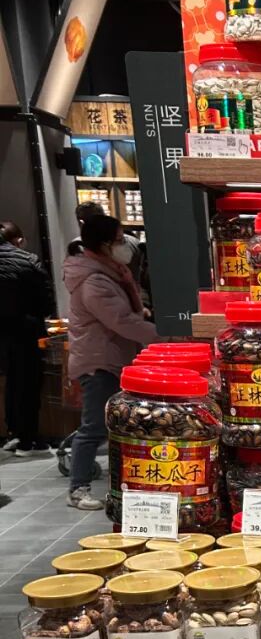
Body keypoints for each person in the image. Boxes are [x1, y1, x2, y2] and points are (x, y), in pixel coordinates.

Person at [63, 213, 157, 509]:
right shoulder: (94, 281)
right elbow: (122, 322)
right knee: (93, 427)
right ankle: (78, 488)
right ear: (104, 244)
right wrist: (166, 337)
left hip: (112, 357)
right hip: (99, 362)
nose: (125, 244)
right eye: (119, 240)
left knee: (111, 426)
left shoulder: (109, 271)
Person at [0, 220, 52, 456]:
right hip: (27, 330)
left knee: (10, 382)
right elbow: (45, 300)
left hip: (3, 334)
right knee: (28, 384)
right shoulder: (28, 260)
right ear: (18, 240)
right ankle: (28, 440)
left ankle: (13, 433)